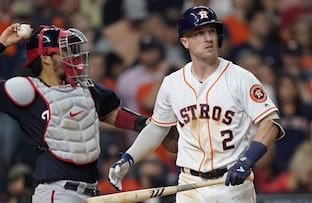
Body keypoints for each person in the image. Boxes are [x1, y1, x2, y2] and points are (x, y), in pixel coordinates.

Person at [108, 5, 285, 202]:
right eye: (199, 33)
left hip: (232, 182)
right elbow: (158, 128)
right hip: (190, 184)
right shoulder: (172, 83)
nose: (208, 38)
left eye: (211, 31)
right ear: (185, 41)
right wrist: (129, 158)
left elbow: (270, 124)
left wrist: (248, 160)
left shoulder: (241, 78)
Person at [0, 23, 154, 203]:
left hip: (91, 190)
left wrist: (148, 125)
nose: (73, 57)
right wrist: (1, 44)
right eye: (65, 51)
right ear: (46, 58)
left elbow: (113, 114)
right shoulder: (28, 90)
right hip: (57, 190)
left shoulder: (86, 89)